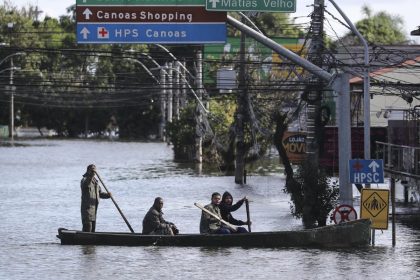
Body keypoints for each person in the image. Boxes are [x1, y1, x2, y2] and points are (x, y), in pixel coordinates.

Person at [80, 164, 111, 232]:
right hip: (87, 210)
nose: (93, 171)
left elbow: (100, 194)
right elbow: (86, 184)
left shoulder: (96, 182)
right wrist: (90, 176)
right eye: (92, 170)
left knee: (93, 230)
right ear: (88, 171)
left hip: (94, 210)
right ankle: (83, 241)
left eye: (94, 170)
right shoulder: (84, 180)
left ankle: (91, 242)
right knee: (88, 228)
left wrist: (108, 195)